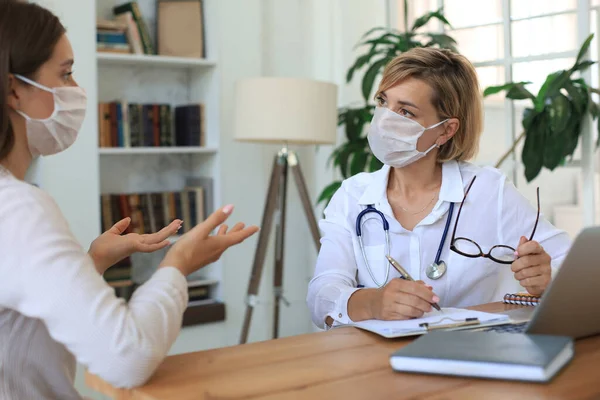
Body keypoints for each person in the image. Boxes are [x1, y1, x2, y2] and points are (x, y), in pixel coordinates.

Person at [0, 1, 258, 398]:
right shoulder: (19, 208)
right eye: (65, 74)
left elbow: (16, 323)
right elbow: (127, 357)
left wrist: (94, 261)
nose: (77, 91)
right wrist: (178, 263)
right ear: (15, 89)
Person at [307, 46, 571, 330]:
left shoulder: (487, 191)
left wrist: (548, 277)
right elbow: (322, 294)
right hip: (376, 361)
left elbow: (575, 266)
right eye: (383, 102)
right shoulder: (352, 196)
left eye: (406, 112)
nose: (385, 120)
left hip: (474, 356)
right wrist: (373, 302)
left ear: (446, 130)